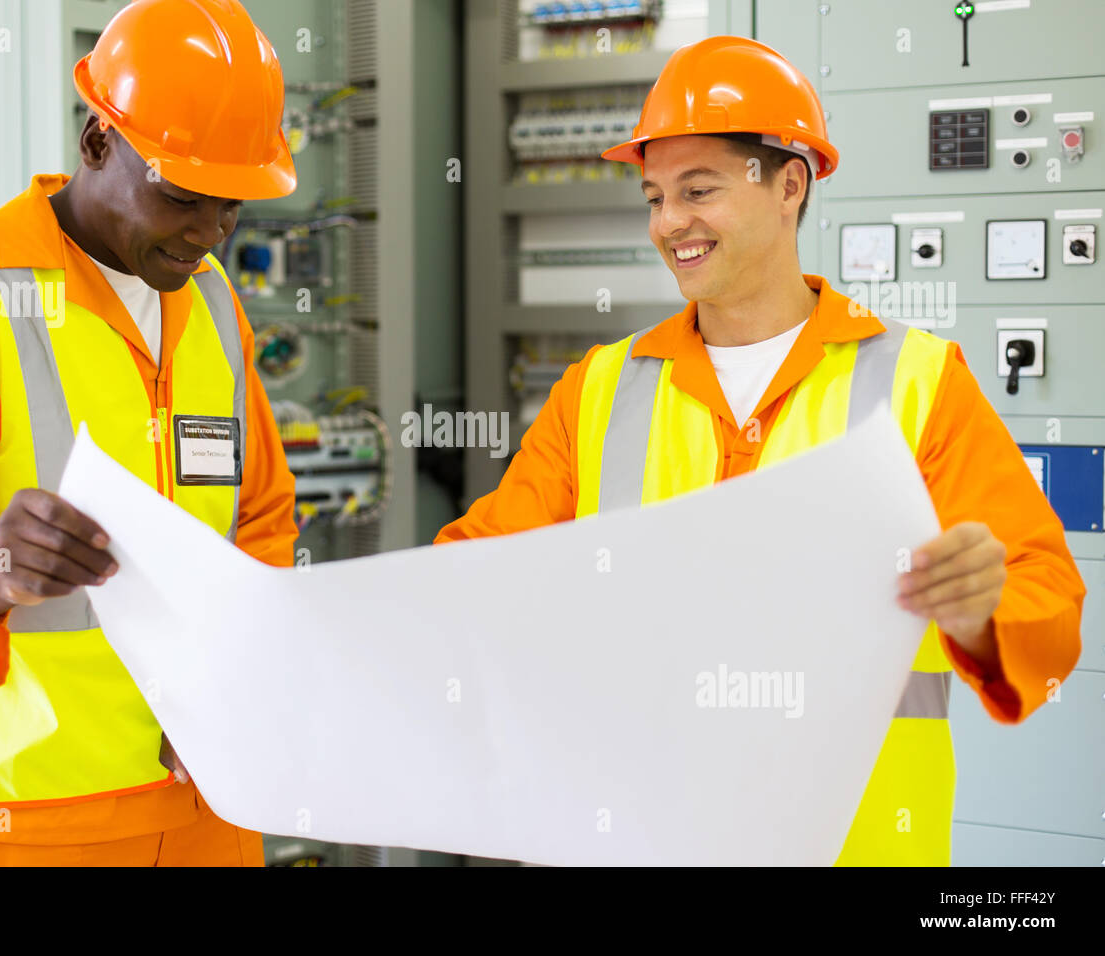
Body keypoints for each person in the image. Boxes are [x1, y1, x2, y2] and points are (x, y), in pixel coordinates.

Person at [435, 36, 1084, 865]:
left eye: (698, 191)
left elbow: (1047, 602)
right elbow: (477, 574)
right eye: (655, 196)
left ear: (789, 183)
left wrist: (979, 614)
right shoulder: (601, 389)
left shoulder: (919, 382)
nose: (670, 224)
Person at [0, 0, 297, 866]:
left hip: (210, 800)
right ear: (96, 143)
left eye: (233, 205)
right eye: (182, 195)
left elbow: (258, 520)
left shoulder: (215, 301)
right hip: (28, 828)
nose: (208, 231)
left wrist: (239, 680)